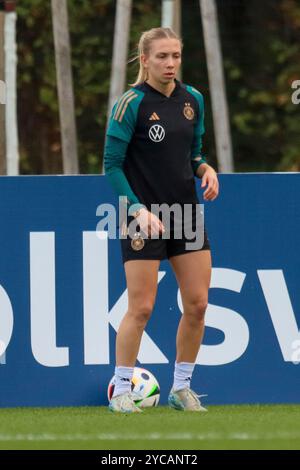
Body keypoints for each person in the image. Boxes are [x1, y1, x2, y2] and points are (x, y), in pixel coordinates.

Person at [104, 27, 219, 413]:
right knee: (142, 308)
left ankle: (181, 388)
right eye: (162, 57)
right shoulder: (130, 104)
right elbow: (112, 166)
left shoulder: (194, 100)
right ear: (145, 60)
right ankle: (122, 391)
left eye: (176, 56)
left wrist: (205, 168)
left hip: (185, 213)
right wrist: (137, 210)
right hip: (142, 216)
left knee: (199, 304)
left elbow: (193, 152)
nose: (170, 64)